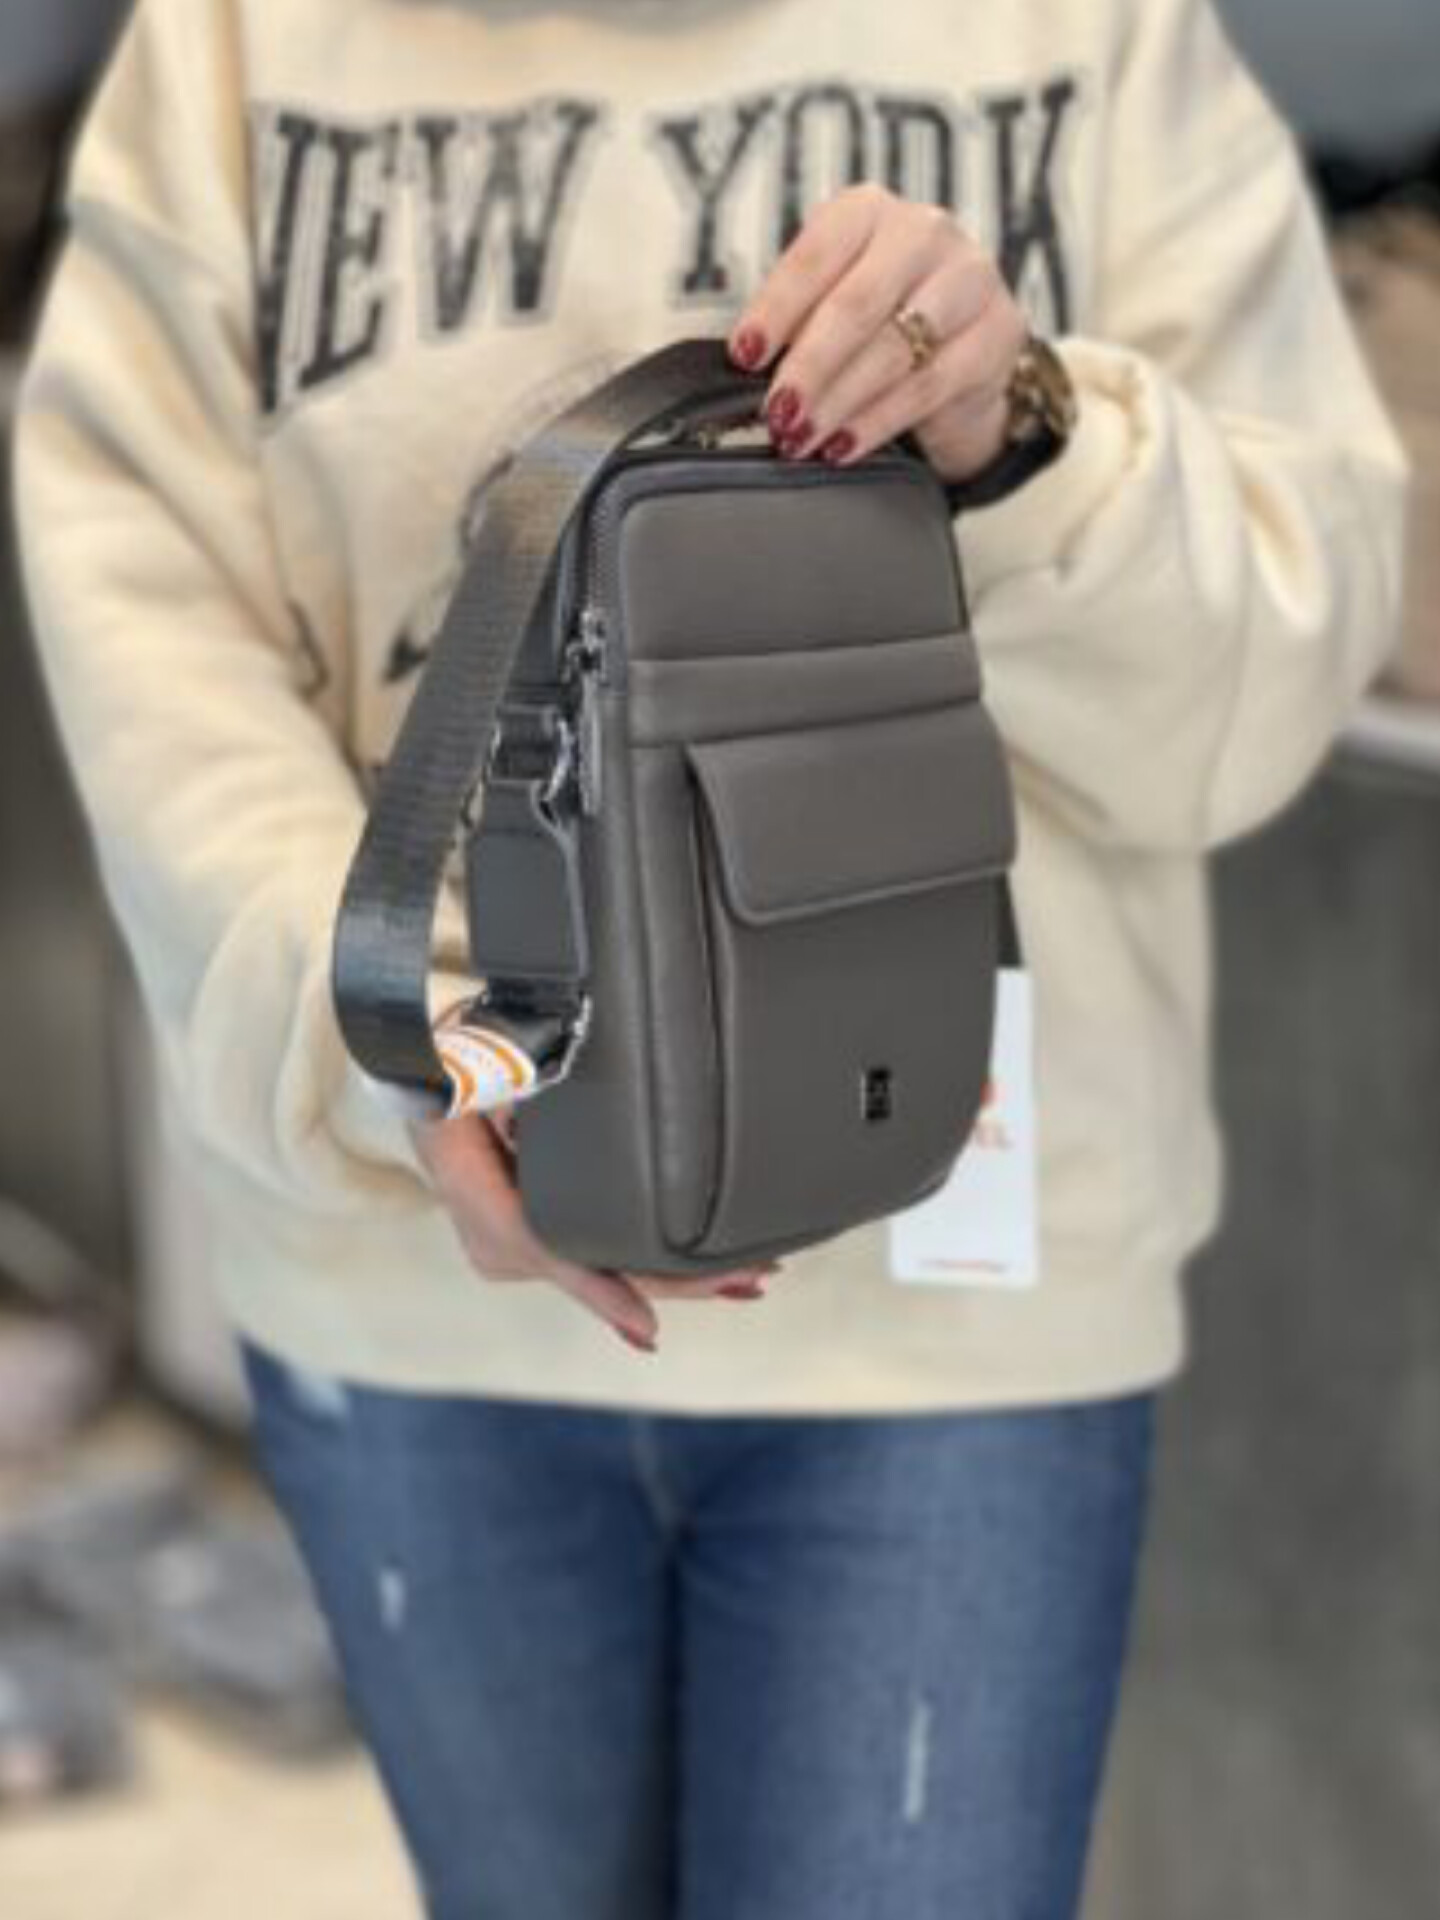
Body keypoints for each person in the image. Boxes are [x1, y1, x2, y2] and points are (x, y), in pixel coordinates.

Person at [13, 0, 1407, 1914]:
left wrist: (1015, 435)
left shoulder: (1086, 30)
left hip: (957, 1323)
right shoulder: (241, 39)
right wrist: (396, 1035)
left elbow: (1283, 654)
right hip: (414, 1294)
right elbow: (152, 620)